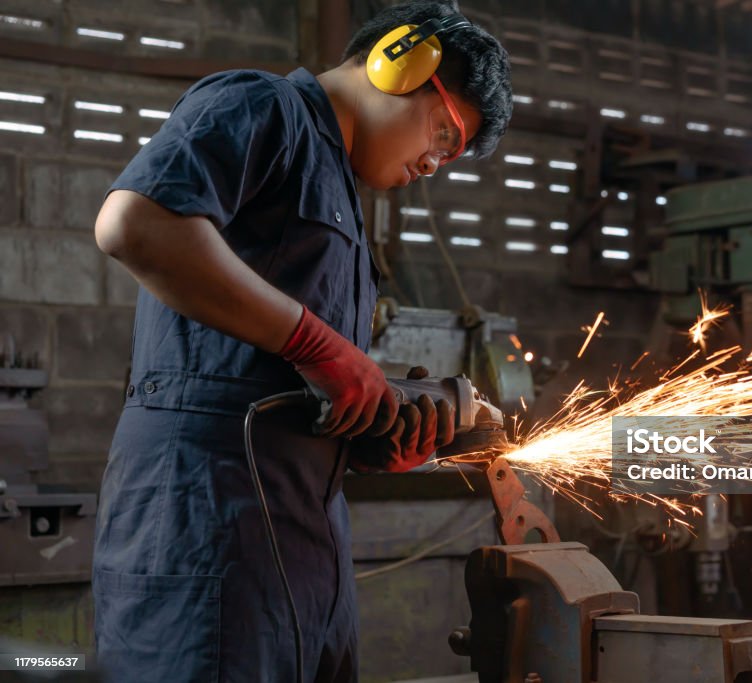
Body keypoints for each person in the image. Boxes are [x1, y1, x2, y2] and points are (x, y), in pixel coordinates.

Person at [90, 1, 512, 680]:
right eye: (443, 132)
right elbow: (133, 224)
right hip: (206, 517)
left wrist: (371, 433)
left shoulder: (340, 196)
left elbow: (285, 377)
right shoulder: (265, 108)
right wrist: (323, 347)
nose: (436, 163)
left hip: (304, 538)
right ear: (399, 64)